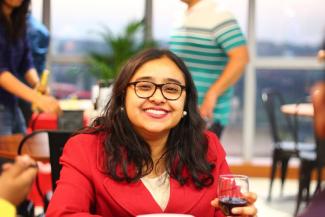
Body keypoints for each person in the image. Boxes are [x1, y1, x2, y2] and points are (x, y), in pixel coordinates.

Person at [46, 48, 257, 216]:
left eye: (172, 89)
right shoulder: (86, 147)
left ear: (185, 102)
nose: (158, 97)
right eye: (144, 86)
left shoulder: (207, 146)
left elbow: (226, 212)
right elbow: (62, 214)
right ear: (122, 96)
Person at [169, 0, 249, 138]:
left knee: (203, 159)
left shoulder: (220, 16)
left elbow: (241, 58)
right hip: (181, 109)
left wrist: (212, 93)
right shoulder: (181, 16)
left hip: (205, 113)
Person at [0, 0, 61, 135]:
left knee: (23, 149)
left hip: (12, 104)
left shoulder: (17, 20)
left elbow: (25, 62)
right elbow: (1, 73)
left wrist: (38, 84)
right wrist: (37, 98)